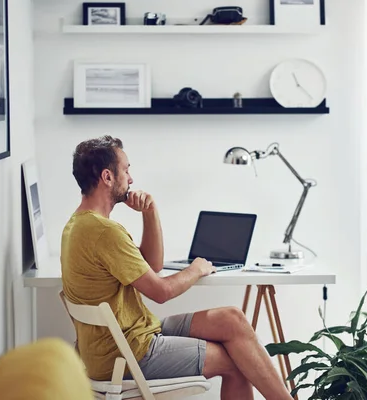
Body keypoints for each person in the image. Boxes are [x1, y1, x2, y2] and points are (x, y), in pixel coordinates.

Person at [61, 135, 294, 400]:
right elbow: (161, 292)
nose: (131, 178)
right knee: (237, 364)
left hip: (130, 335)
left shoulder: (79, 224)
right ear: (107, 177)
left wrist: (150, 212)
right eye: (126, 169)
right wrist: (196, 268)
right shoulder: (105, 232)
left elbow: (153, 265)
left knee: (232, 318)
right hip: (127, 352)